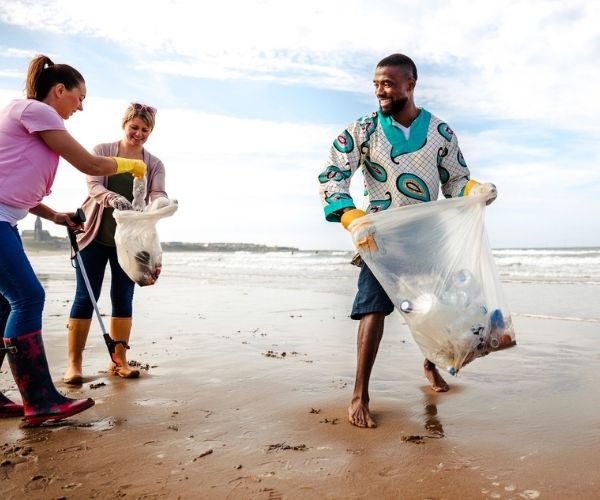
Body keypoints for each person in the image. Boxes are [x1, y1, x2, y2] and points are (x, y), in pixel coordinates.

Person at [318, 53, 497, 429]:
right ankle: (359, 394)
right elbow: (333, 175)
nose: (380, 91)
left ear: (410, 85)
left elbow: (454, 181)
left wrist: (476, 188)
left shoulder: (440, 133)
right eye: (376, 84)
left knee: (431, 308)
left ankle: (431, 366)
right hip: (377, 239)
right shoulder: (362, 130)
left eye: (388, 83)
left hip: (426, 239)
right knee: (372, 310)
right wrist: (351, 218)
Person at [0, 54, 147, 425]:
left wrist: (53, 215)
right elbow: (91, 165)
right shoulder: (37, 110)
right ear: (59, 90)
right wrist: (133, 165)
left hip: (7, 218)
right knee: (28, 297)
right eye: (79, 97)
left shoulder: (31, 117)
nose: (80, 107)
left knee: (5, 305)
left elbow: (17, 187)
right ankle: (40, 399)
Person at [62, 102, 167, 384]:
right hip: (94, 235)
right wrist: (112, 199)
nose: (139, 133)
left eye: (145, 129)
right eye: (134, 127)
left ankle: (118, 361)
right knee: (86, 297)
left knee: (123, 298)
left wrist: (162, 203)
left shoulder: (153, 163)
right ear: (124, 125)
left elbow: (157, 192)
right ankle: (74, 364)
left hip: (129, 244)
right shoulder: (102, 151)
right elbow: (94, 185)